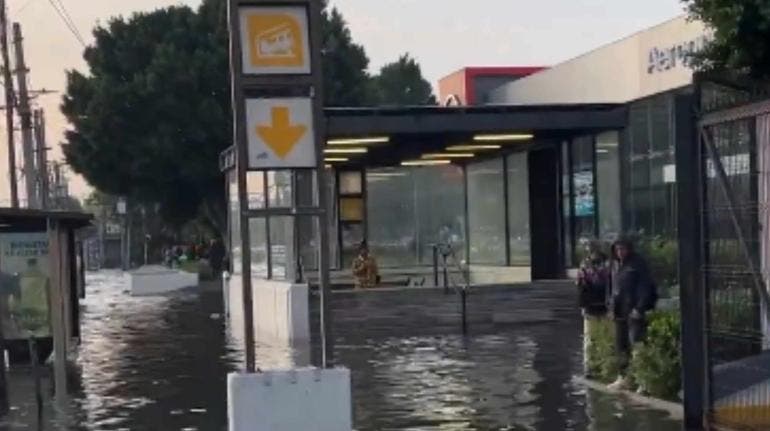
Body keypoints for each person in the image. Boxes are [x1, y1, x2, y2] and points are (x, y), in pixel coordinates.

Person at [608, 237, 657, 390]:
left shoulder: (637, 263)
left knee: (637, 345)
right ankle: (623, 378)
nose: (620, 252)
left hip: (634, 311)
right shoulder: (615, 264)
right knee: (621, 346)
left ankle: (642, 381)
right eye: (617, 249)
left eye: (622, 249)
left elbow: (645, 286)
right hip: (619, 311)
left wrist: (640, 308)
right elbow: (612, 287)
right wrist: (610, 306)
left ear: (629, 248)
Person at [577, 241, 610, 377]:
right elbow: (581, 288)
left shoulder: (608, 264)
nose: (591, 251)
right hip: (591, 306)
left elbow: (611, 285)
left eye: (593, 249)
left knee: (607, 337)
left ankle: (605, 365)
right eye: (590, 249)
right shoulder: (584, 265)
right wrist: (583, 306)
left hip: (605, 306)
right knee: (590, 338)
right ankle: (590, 367)